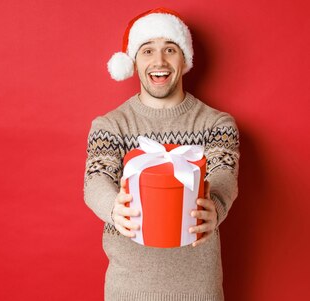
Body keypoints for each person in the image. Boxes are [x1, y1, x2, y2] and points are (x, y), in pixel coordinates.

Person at [83, 7, 239, 300]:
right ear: (133, 62)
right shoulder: (110, 125)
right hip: (127, 288)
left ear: (184, 59)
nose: (159, 61)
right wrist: (113, 208)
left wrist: (214, 207)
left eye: (170, 49)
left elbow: (223, 177)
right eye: (147, 51)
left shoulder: (217, 124)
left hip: (198, 288)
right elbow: (95, 181)